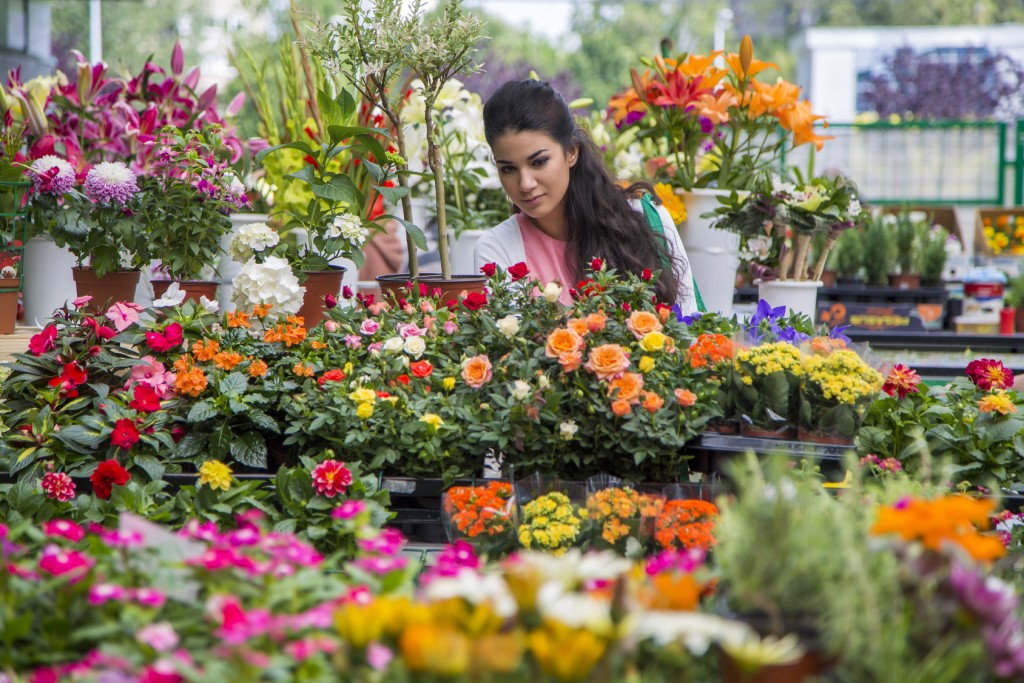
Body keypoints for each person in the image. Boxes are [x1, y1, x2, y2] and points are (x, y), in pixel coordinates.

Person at [474, 79, 697, 313]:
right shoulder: (497, 249)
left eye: (539, 162)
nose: (525, 184)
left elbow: (690, 326)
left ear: (571, 152)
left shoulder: (646, 219)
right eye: (508, 169)